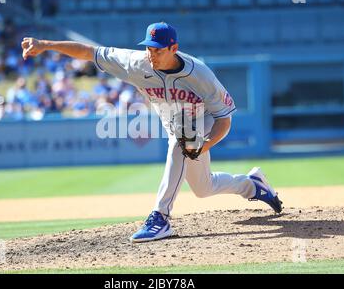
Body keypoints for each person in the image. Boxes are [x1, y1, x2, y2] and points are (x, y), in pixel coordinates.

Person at [21, 22, 283, 243]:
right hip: (176, 125)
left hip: (201, 121)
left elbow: (224, 122)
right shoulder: (137, 64)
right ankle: (252, 185)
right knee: (204, 188)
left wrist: (204, 145)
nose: (151, 54)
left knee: (183, 141)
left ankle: (161, 217)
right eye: (148, 47)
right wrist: (45, 44)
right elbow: (90, 52)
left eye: (157, 49)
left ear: (174, 48)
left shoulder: (200, 75)